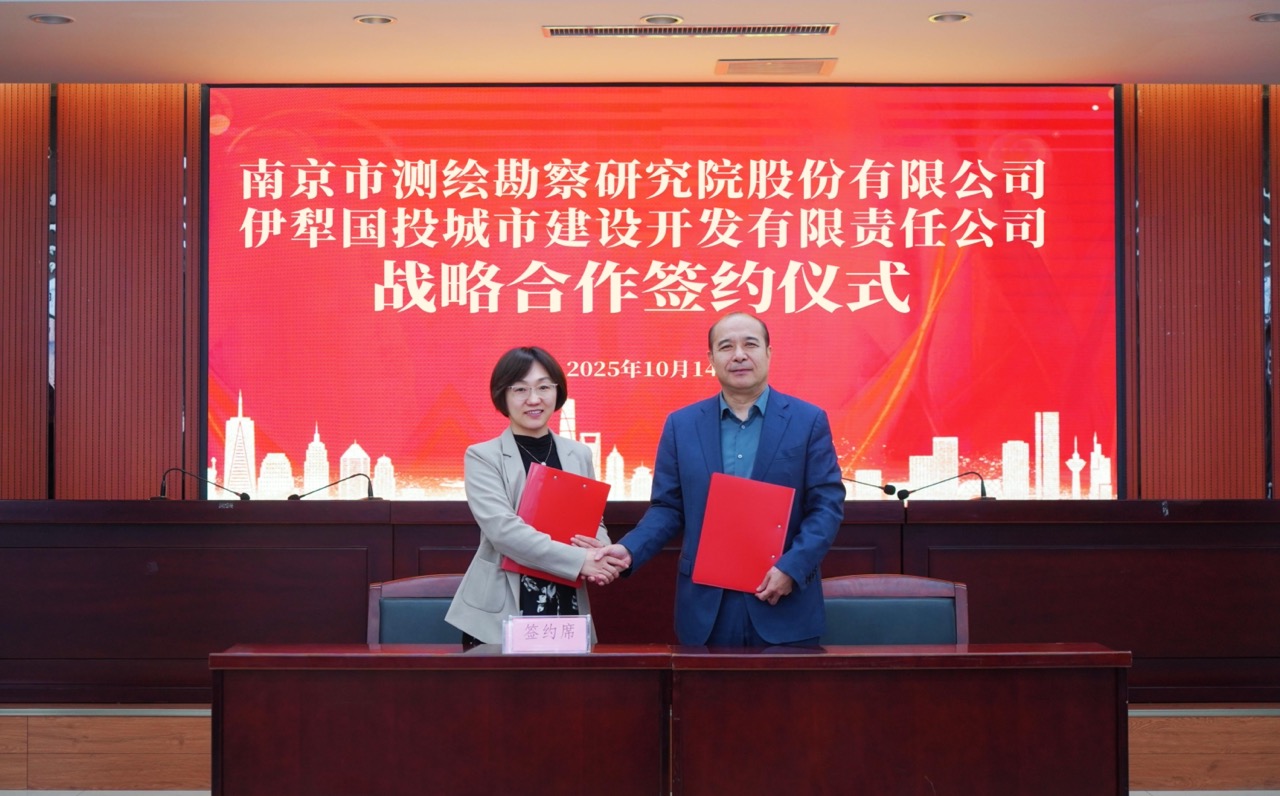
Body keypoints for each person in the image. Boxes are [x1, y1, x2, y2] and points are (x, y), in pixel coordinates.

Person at [578, 312, 845, 646]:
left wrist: (792, 568)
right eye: (726, 347)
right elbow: (668, 507)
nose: (739, 355)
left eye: (750, 344)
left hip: (783, 600)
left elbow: (826, 506)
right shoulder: (682, 425)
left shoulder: (808, 421)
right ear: (711, 359)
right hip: (708, 607)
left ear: (768, 352)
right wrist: (630, 549)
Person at [445, 346, 627, 646]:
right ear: (502, 396)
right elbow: (503, 532)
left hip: (567, 597)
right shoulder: (482, 456)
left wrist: (600, 554)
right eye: (520, 389)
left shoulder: (578, 453)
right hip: (503, 605)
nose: (534, 399)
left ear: (557, 392)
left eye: (544, 387)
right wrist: (580, 560)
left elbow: (593, 519)